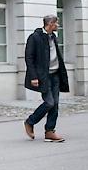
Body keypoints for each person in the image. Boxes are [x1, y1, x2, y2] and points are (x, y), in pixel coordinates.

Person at [23, 14, 69, 142]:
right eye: (56, 23)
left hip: (55, 75)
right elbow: (29, 58)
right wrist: (33, 76)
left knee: (55, 104)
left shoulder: (53, 37)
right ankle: (30, 121)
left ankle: (49, 131)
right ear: (50, 24)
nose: (58, 26)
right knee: (49, 102)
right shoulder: (35, 37)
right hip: (44, 76)